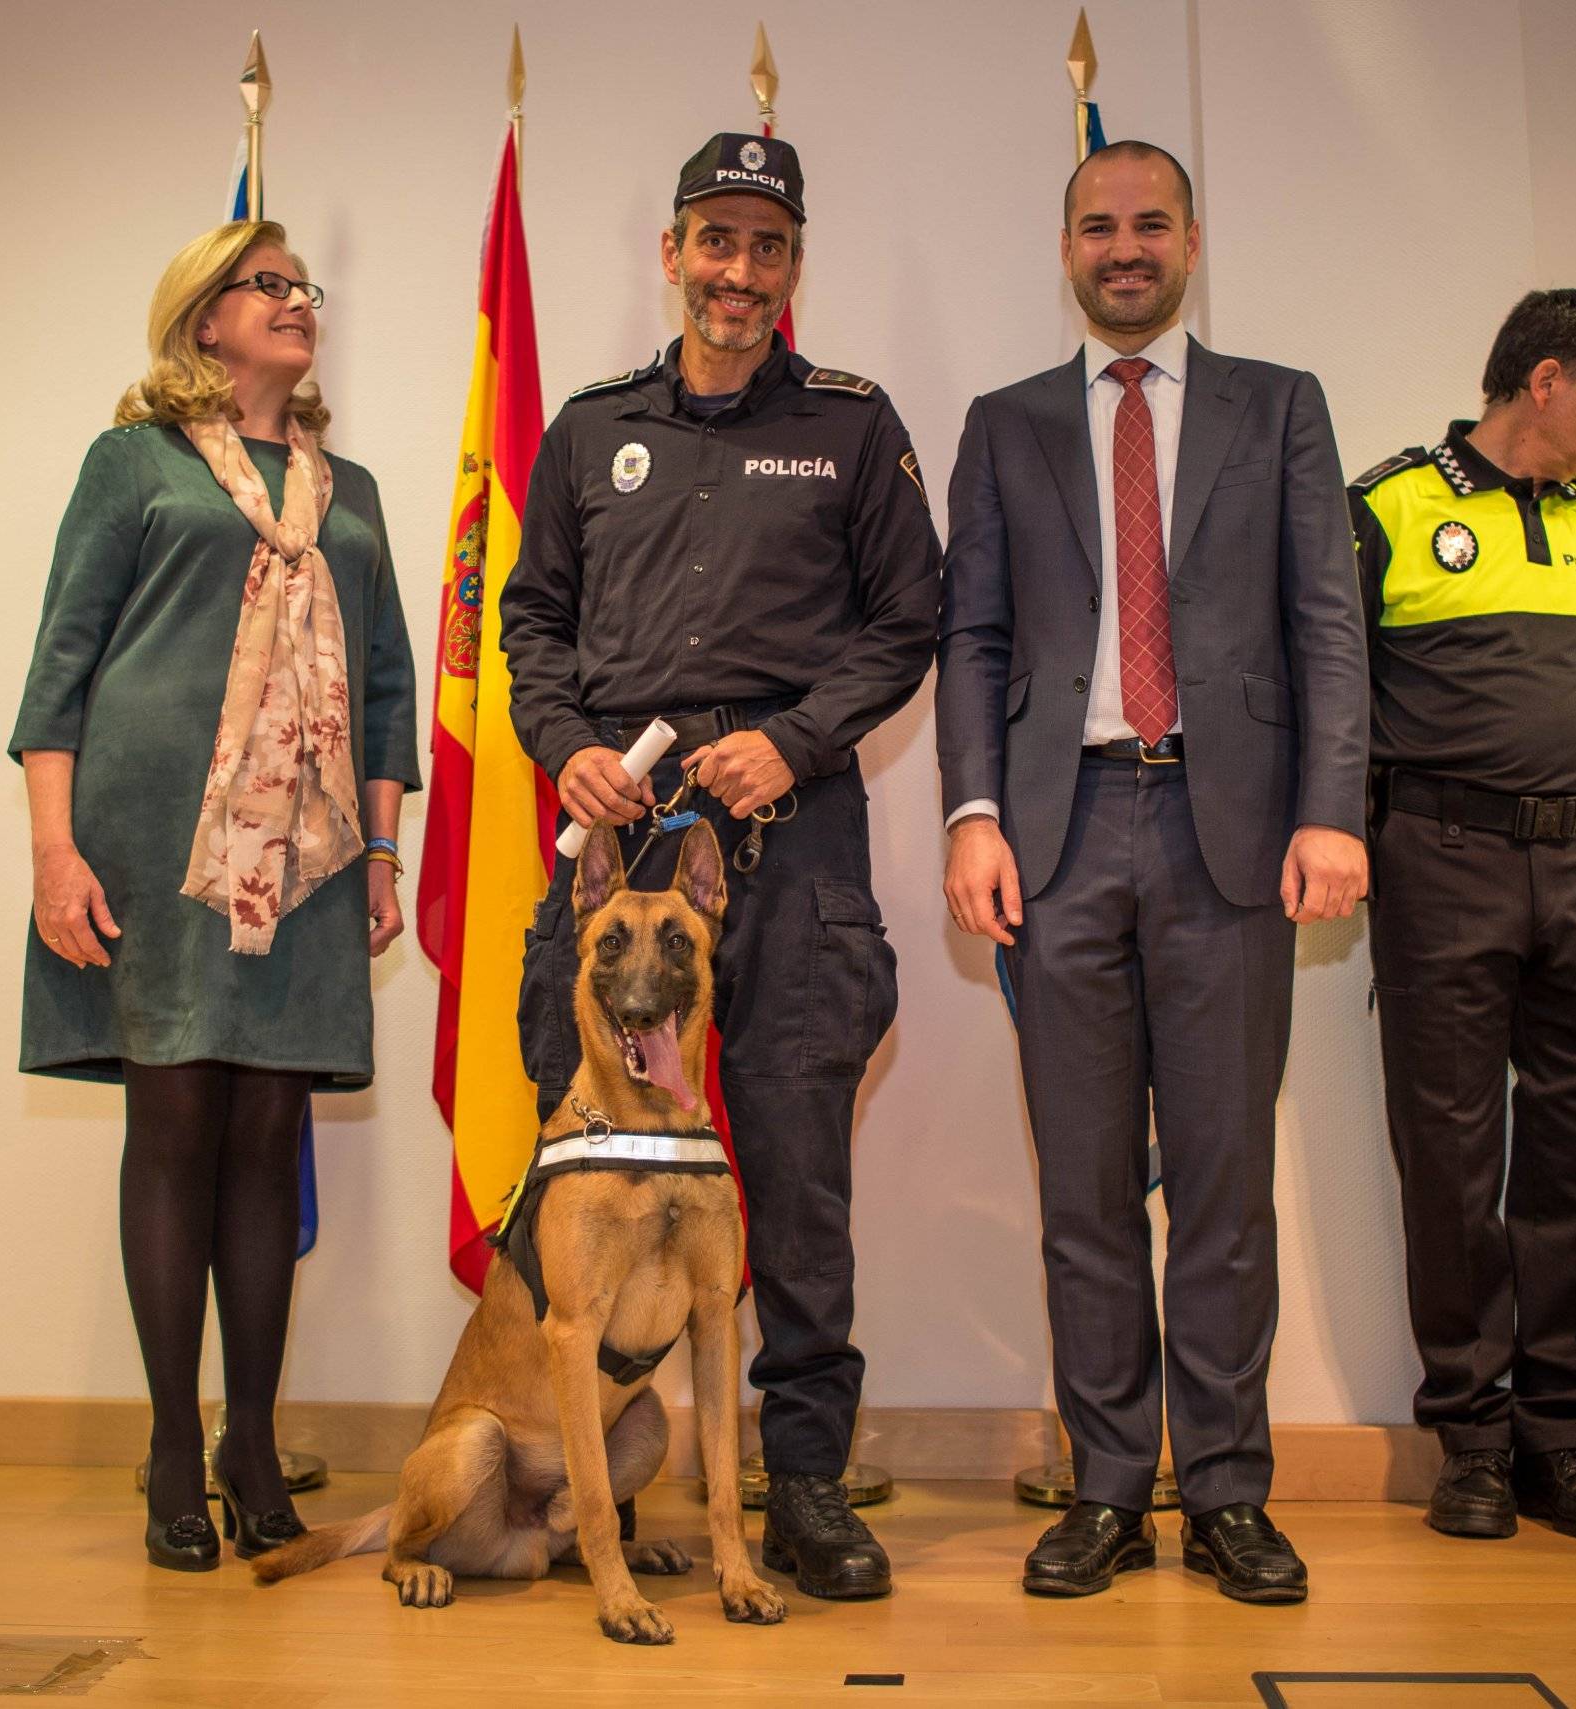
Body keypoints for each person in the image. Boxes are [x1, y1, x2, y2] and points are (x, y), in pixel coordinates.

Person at [499, 132, 941, 1602]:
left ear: (792, 266)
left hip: (790, 846)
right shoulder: (587, 427)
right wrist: (565, 741)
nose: (738, 272)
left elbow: (906, 623)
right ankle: (569, 1465)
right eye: (715, 241)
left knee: (799, 1176)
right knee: (593, 1167)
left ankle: (804, 1484)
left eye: (767, 247)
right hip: (619, 860)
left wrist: (800, 741)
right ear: (672, 252)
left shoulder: (853, 423)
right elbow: (531, 623)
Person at [936, 141, 1369, 1605]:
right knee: (1087, 1189)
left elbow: (1328, 627)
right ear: (1065, 244)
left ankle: (1231, 1491)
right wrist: (972, 814)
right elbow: (975, 641)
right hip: (1056, 837)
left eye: (1150, 224)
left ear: (1192, 237)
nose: (1125, 248)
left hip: (1230, 835)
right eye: (1097, 225)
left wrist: (1332, 808)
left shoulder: (1281, 408)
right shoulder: (1004, 425)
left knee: (1228, 1187)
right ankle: (1112, 1487)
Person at [8, 220, 418, 1570]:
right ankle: (172, 1447)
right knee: (177, 1125)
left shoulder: (344, 484)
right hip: (153, 851)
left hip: (304, 860)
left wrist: (383, 851)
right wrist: (53, 852)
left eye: (305, 289)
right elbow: (61, 666)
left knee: (264, 1136)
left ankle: (253, 1437)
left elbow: (389, 688)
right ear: (203, 324)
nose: (299, 305)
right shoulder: (131, 463)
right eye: (270, 287)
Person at [1347, 288, 1576, 1545]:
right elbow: (1330, 675)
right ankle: (1471, 1443)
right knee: (1450, 1159)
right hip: (1442, 864)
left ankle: (1559, 1441)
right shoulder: (1390, 503)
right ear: (1544, 379)